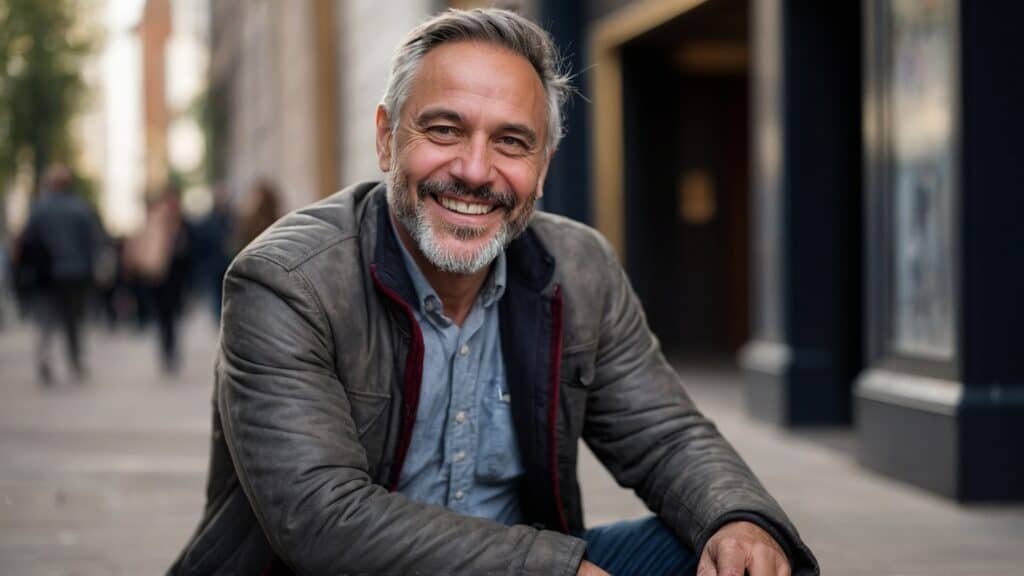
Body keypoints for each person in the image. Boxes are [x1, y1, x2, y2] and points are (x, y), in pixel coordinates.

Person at [170, 9, 818, 576]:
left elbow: (666, 435)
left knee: (735, 557)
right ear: (386, 139)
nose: (476, 171)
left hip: (524, 563)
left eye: (511, 142)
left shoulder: (580, 266)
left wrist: (738, 518)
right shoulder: (286, 282)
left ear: (542, 170)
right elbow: (321, 518)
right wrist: (551, 567)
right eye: (445, 130)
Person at [17, 164, 102, 385]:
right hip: (75, 272)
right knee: (72, 319)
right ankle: (74, 361)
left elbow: (26, 239)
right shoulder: (80, 208)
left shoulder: (39, 208)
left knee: (46, 318)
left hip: (46, 274)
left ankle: (44, 353)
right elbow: (93, 241)